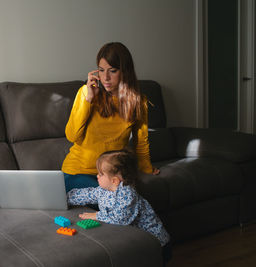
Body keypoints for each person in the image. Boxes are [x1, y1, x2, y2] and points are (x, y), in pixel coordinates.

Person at [62, 42, 159, 192]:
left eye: (112, 71)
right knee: (114, 198)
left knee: (130, 199)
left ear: (125, 72)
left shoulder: (138, 101)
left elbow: (141, 143)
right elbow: (71, 135)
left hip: (113, 175)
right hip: (78, 172)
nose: (105, 77)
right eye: (101, 70)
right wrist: (88, 100)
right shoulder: (85, 93)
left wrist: (146, 168)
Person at [67, 149, 171, 262]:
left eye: (101, 174)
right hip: (135, 239)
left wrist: (97, 215)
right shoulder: (103, 190)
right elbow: (86, 194)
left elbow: (120, 218)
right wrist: (65, 198)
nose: (97, 176)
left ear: (114, 181)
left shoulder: (127, 194)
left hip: (155, 243)